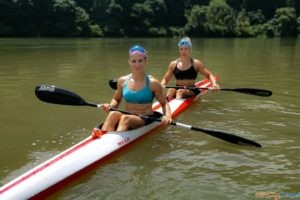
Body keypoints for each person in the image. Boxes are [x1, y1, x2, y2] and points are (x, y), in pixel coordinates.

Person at [92, 45, 172, 138]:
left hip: (144, 119)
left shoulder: (153, 83)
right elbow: (116, 100)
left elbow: (164, 103)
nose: (137, 65)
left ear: (145, 61)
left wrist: (168, 115)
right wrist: (110, 106)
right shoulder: (122, 81)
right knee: (113, 113)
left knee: (125, 119)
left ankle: (115, 141)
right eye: (134, 61)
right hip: (127, 115)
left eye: (140, 61)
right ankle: (104, 137)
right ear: (129, 62)